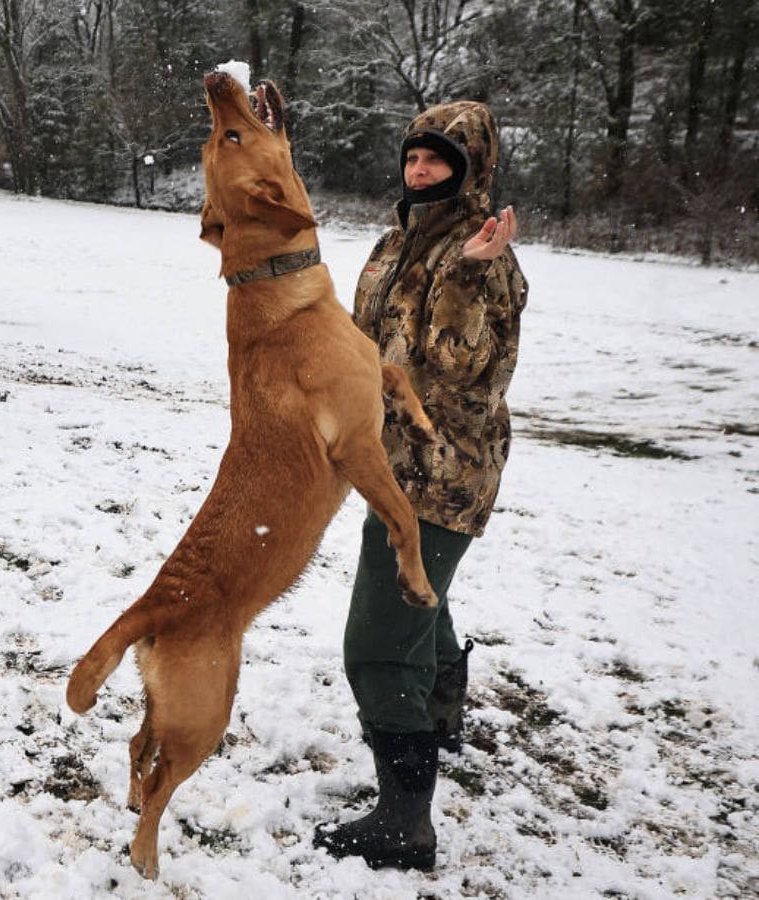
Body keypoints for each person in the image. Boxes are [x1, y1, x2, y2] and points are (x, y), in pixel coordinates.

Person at [314, 101, 529, 871]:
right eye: (413, 156)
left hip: (443, 474)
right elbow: (363, 338)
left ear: (471, 168)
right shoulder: (396, 241)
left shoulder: (485, 259)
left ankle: (405, 821)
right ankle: (440, 720)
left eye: (438, 158)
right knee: (418, 602)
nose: (420, 169)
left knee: (376, 645)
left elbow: (459, 364)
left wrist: (470, 271)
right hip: (388, 462)